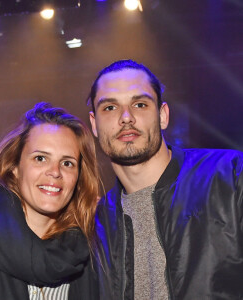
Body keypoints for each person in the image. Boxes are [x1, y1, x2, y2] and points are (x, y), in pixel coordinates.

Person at [88, 59, 243, 300]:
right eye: (109, 107)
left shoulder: (231, 176)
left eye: (140, 104)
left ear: (162, 115)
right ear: (94, 124)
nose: (126, 117)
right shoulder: (97, 223)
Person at [0, 102, 100, 300]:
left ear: (78, 178)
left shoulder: (89, 259)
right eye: (40, 158)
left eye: (67, 163)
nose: (55, 172)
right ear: (14, 167)